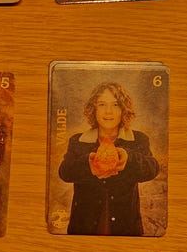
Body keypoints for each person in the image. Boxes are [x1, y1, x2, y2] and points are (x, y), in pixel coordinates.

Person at [59, 81, 159, 235]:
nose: (108, 111)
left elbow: (152, 169)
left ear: (123, 109)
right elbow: (65, 172)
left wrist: (129, 159)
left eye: (116, 105)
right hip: (83, 226)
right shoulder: (78, 140)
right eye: (102, 105)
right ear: (93, 109)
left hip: (126, 226)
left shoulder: (138, 140)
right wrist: (87, 164)